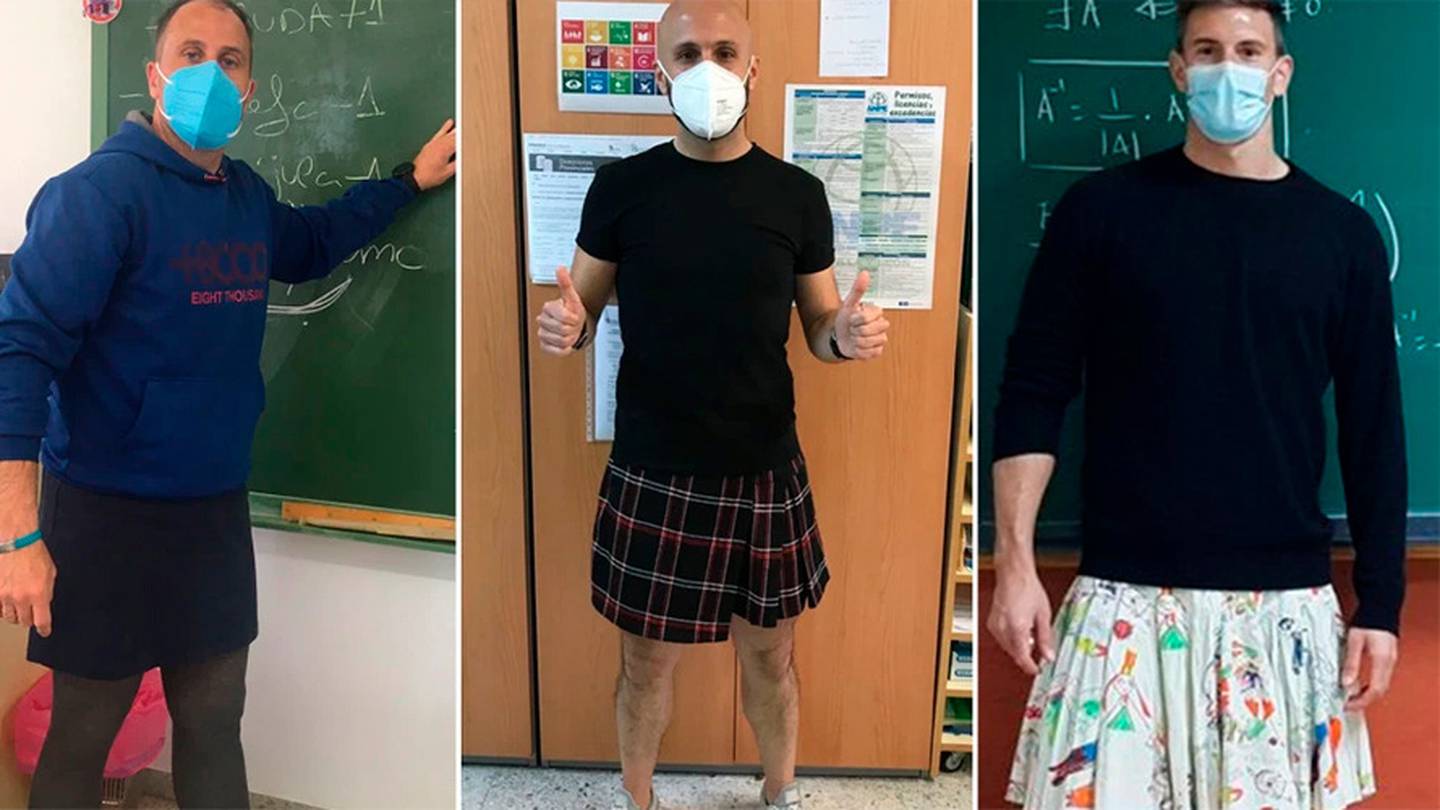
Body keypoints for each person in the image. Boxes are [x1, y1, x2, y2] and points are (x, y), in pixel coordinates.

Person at [0, 1, 455, 806]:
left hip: (209, 511)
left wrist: (406, 182)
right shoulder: (96, 196)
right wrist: (20, 534)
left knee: (214, 720)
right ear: (154, 75)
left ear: (251, 86)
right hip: (104, 513)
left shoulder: (243, 193)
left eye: (232, 59)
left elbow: (311, 241)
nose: (212, 72)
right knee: (84, 731)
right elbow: (20, 353)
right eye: (192, 52)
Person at [988, 1, 1404, 807]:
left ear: (1281, 75)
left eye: (1249, 51)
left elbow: (1375, 432)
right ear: (1178, 70)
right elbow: (1035, 389)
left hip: (1285, 609)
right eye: (1207, 50)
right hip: (1123, 599)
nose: (1228, 68)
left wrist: (1380, 604)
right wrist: (1013, 563)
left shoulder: (1342, 236)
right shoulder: (1101, 213)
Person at [534, 2, 889, 808]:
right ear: (662, 73)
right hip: (653, 466)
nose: (709, 66)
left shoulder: (796, 194)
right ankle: (639, 799)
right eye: (688, 53)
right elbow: (580, 312)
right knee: (644, 664)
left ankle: (779, 793)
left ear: (752, 69)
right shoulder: (622, 188)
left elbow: (821, 327)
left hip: (766, 467)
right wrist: (567, 325)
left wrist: (848, 334)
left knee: (770, 659)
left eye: (726, 51)